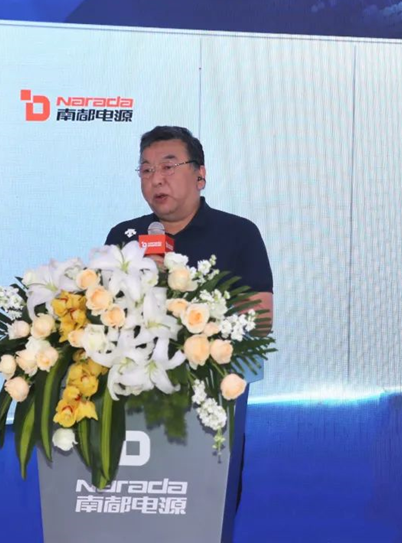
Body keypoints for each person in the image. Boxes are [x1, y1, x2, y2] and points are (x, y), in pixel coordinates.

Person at [104, 125, 274, 535]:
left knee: (202, 513)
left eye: (168, 166)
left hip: (209, 396)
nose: (155, 179)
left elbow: (261, 318)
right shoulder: (125, 236)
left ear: (200, 175)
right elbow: (103, 313)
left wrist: (188, 306)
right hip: (134, 394)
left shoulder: (238, 233)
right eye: (146, 170)